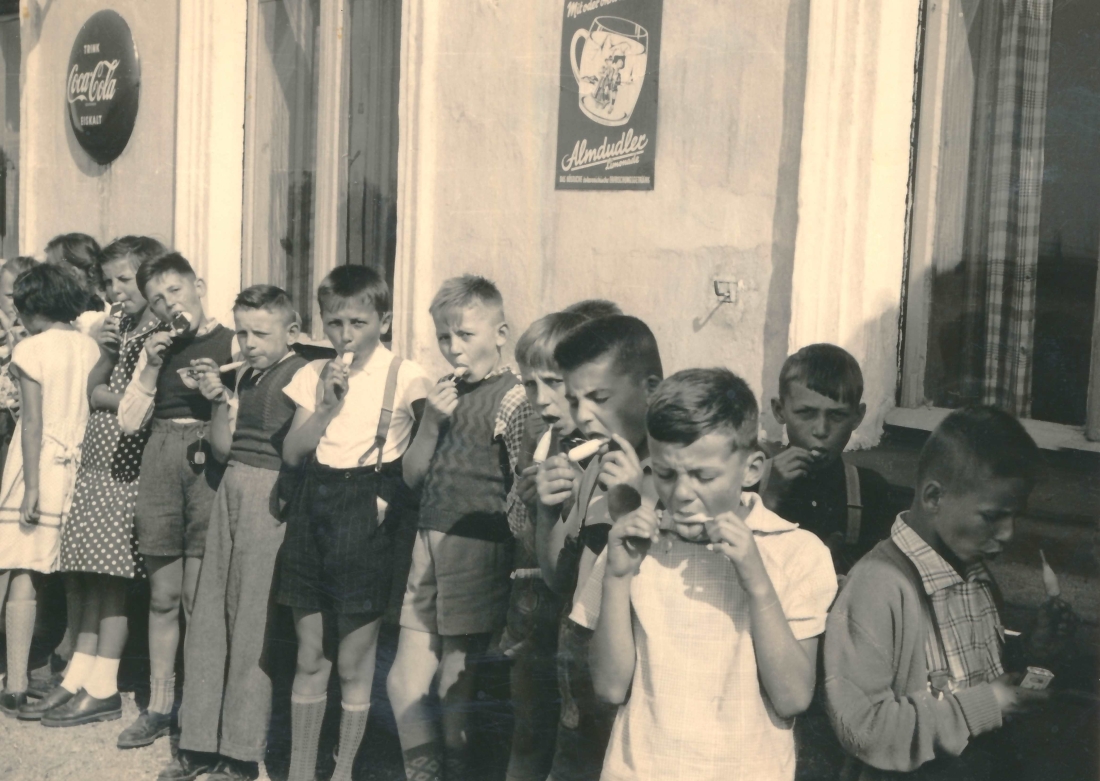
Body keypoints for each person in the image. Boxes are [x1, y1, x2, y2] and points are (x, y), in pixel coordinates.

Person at [572, 367, 838, 780]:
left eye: (703, 476)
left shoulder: (797, 552)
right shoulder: (630, 548)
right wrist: (618, 579)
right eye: (665, 474)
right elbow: (608, 688)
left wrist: (756, 578)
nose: (681, 493)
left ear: (751, 470)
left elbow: (792, 697)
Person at [823, 406, 1054, 780]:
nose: (1009, 533)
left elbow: (978, 672)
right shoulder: (878, 586)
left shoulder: (977, 575)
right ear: (933, 497)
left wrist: (1030, 650)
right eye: (993, 516)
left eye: (1016, 516)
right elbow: (864, 728)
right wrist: (988, 703)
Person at [274, 265, 429, 781]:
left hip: (367, 509)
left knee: (355, 661)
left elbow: (427, 452)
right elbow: (293, 454)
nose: (345, 336)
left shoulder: (406, 376)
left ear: (383, 321)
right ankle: (300, 770)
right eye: (335, 323)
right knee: (310, 654)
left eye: (358, 323)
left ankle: (343, 771)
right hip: (312, 506)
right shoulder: (312, 374)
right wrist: (323, 409)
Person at [157, 285, 311, 781]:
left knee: (252, 625)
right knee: (209, 617)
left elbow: (300, 451)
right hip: (230, 490)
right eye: (241, 331)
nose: (247, 342)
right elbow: (223, 449)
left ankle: (242, 754)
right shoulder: (243, 375)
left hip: (272, 498)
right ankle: (200, 741)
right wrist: (218, 400)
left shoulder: (303, 374)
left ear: (291, 332)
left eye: (260, 333)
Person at [16, 237, 168, 725]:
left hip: (128, 460)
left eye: (126, 280)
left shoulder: (159, 332)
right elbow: (95, 389)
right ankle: (76, 676)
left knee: (113, 576)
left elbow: (133, 409)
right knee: (89, 571)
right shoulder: (119, 327)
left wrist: (110, 395)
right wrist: (106, 371)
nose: (116, 290)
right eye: (108, 282)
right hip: (98, 455)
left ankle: (103, 686)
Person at [386, 274, 530, 781]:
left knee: (456, 679)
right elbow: (411, 475)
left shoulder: (513, 398)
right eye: (444, 337)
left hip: (476, 543)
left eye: (465, 335)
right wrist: (430, 423)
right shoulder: (442, 395)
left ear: (500, 333)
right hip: (428, 538)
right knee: (404, 681)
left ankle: (458, 771)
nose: (453, 348)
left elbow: (523, 483)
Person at [115, 252, 235, 748]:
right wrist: (152, 363)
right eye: (158, 300)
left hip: (210, 456)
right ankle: (161, 707)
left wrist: (217, 391)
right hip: (161, 456)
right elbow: (127, 421)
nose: (169, 305)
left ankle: (197, 709)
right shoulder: (153, 346)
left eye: (176, 292)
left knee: (197, 598)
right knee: (163, 596)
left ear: (198, 285)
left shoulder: (231, 341)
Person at [535, 314, 662, 781]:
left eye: (599, 398)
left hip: (640, 700)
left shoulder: (678, 478)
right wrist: (547, 512)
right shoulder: (595, 465)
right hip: (580, 689)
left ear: (651, 388)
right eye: (575, 399)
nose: (584, 415)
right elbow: (558, 579)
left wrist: (634, 501)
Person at [0, 264, 101, 715]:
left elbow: (33, 423)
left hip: (39, 465)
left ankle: (17, 681)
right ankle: (69, 673)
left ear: (32, 309)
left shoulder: (31, 348)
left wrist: (32, 487)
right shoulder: (90, 347)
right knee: (75, 573)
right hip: (82, 462)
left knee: (24, 570)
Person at [502, 310, 590, 781]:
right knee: (529, 726)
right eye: (530, 385)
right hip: (534, 600)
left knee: (576, 734)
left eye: (554, 383)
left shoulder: (604, 443)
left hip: (582, 609)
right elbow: (518, 526)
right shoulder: (543, 438)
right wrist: (532, 502)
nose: (542, 400)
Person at [759, 344, 895, 577]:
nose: (821, 430)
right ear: (779, 410)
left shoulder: (871, 490)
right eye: (806, 413)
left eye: (837, 415)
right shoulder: (752, 481)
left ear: (857, 416)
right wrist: (769, 499)